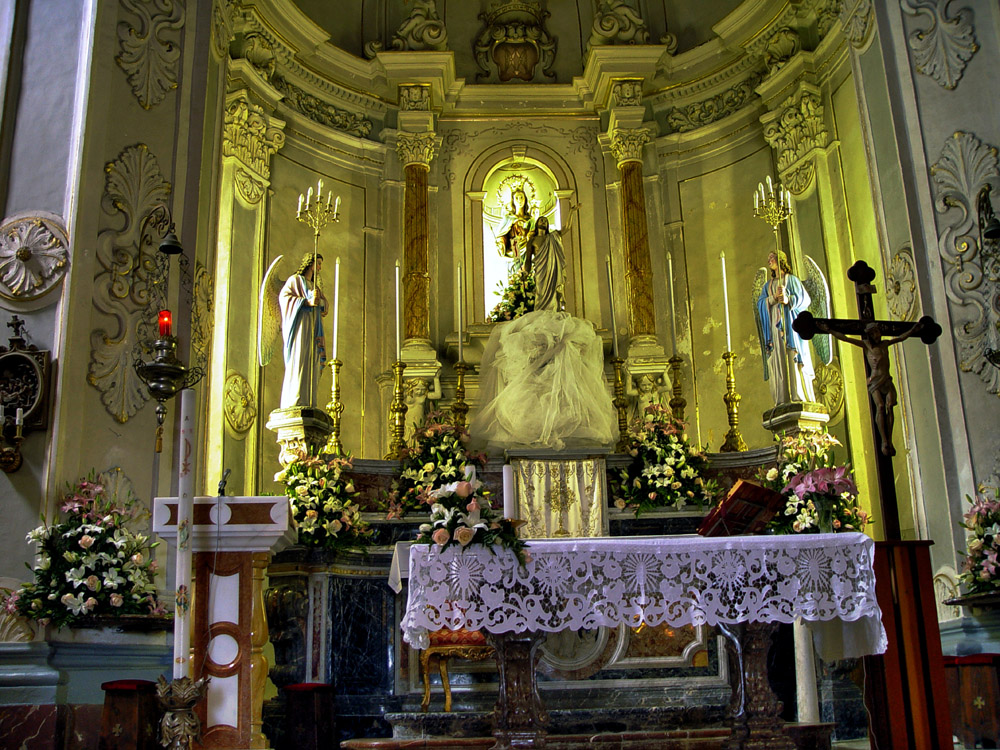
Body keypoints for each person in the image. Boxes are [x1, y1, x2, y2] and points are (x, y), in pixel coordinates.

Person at [814, 319, 925, 457]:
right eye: (875, 333)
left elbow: (901, 337)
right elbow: (846, 338)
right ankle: (884, 441)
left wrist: (914, 329)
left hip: (887, 379)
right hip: (875, 381)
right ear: (870, 335)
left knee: (890, 406)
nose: (877, 335)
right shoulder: (866, 345)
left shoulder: (885, 344)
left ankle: (889, 440)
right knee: (880, 406)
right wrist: (829, 330)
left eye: (878, 332)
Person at [755, 250, 816, 404]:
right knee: (779, 359)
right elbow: (760, 305)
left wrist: (789, 299)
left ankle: (797, 394)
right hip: (775, 329)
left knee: (792, 356)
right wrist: (773, 298)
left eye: (772, 258)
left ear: (780, 260)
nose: (769, 261)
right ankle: (783, 397)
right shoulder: (767, 286)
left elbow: (805, 299)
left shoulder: (791, 280)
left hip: (791, 327)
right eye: (768, 258)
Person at [279, 252, 327, 409]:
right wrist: (306, 302)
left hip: (313, 328)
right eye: (318, 263)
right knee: (299, 359)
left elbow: (324, 308)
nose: (319, 267)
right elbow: (284, 298)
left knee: (311, 361)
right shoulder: (295, 280)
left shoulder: (314, 286)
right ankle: (296, 398)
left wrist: (320, 301)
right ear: (310, 263)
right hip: (300, 327)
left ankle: (308, 399)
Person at [523, 206, 578, 313]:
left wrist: (571, 211)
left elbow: (566, 228)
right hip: (540, 271)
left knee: (553, 293)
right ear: (537, 223)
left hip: (552, 269)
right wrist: (526, 271)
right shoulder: (532, 240)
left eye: (545, 221)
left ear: (547, 225)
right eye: (541, 220)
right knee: (541, 292)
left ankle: (553, 311)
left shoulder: (552, 237)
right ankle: (540, 313)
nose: (543, 222)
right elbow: (528, 259)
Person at [494, 187, 534, 259]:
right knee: (517, 267)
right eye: (516, 198)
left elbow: (536, 236)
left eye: (522, 197)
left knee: (527, 268)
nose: (519, 200)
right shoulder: (508, 218)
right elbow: (501, 235)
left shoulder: (531, 220)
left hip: (528, 250)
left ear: (525, 200)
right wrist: (501, 243)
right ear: (513, 201)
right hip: (514, 247)